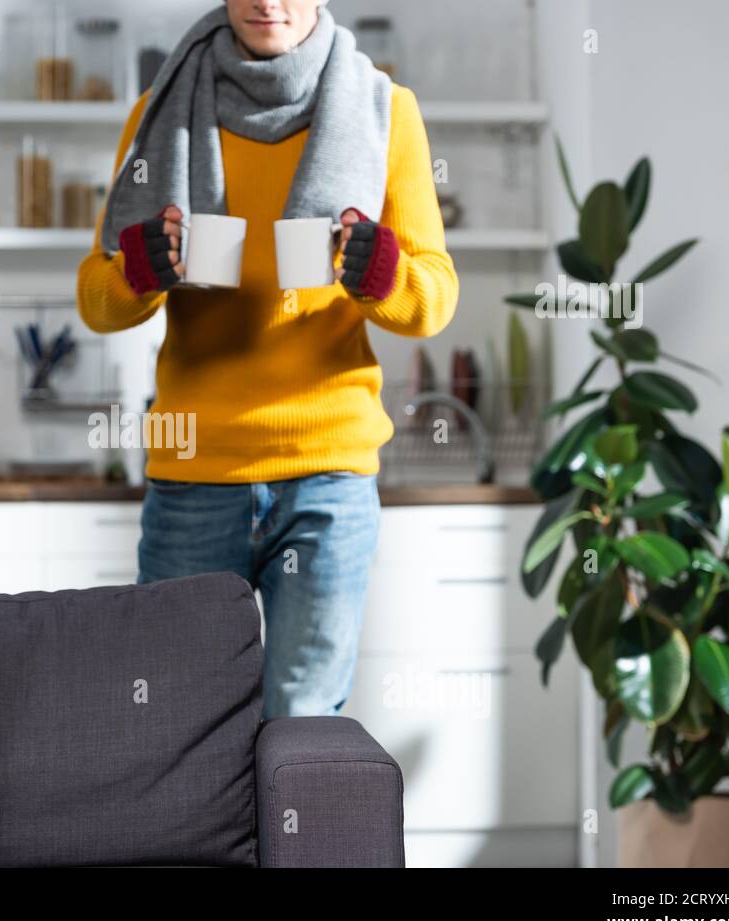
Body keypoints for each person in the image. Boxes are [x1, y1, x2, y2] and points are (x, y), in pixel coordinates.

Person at [77, 0, 459, 718]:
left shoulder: (385, 110)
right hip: (194, 467)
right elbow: (95, 296)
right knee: (174, 726)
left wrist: (381, 272)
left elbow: (435, 295)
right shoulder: (158, 113)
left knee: (304, 726)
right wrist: (141, 268)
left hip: (326, 477)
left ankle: (283, 839)